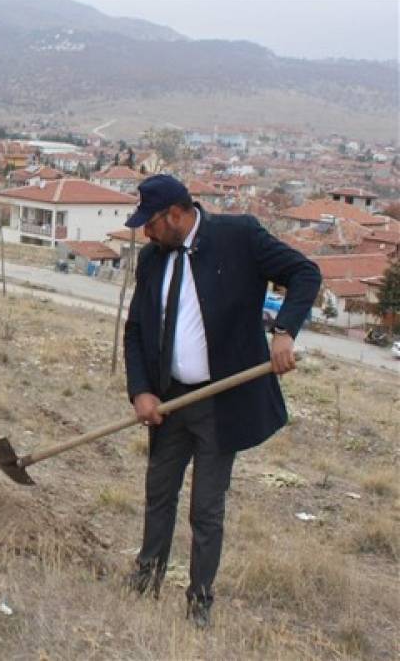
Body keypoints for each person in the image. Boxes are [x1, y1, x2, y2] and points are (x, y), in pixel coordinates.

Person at [122, 175, 320, 627]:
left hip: (221, 402)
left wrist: (285, 331)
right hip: (169, 401)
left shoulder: (239, 236)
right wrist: (141, 391)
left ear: (175, 214)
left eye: (150, 224)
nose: (146, 234)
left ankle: (199, 601)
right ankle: (146, 577)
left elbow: (305, 273)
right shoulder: (153, 261)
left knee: (206, 509)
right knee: (159, 493)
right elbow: (135, 330)